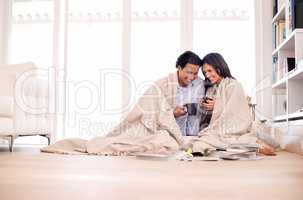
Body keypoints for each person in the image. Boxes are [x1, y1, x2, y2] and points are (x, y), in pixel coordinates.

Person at [197, 52, 276, 155]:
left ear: (219, 67)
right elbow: (213, 115)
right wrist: (205, 106)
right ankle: (249, 145)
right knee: (200, 143)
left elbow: (234, 110)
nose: (207, 75)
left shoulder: (233, 85)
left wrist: (216, 105)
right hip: (220, 128)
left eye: (209, 71)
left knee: (205, 140)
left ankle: (253, 144)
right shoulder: (212, 89)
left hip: (234, 128)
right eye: (205, 72)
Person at [173, 51, 213, 136]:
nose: (191, 77)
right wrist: (173, 113)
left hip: (194, 136)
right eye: (189, 72)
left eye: (195, 73)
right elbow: (156, 114)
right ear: (179, 68)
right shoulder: (166, 85)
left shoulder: (201, 84)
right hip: (172, 136)